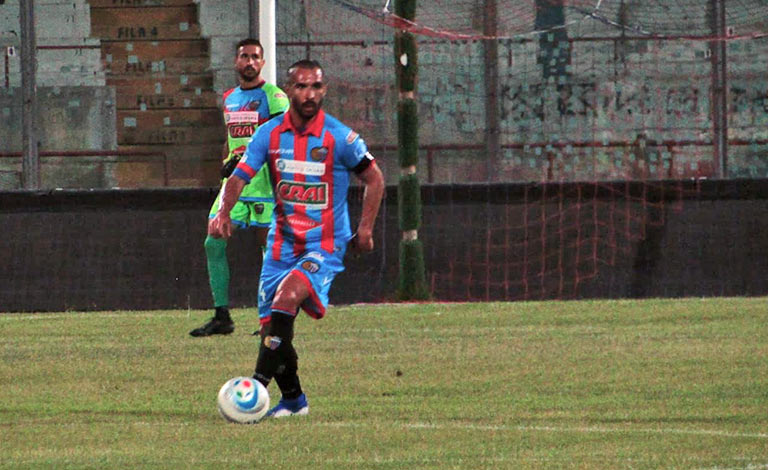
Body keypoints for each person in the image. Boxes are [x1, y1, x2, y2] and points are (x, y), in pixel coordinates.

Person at [209, 59, 385, 417]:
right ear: (288, 90)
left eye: (316, 87)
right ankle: (293, 401)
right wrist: (223, 213)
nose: (309, 94)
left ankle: (254, 390)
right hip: (281, 242)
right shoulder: (269, 135)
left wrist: (365, 229)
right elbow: (240, 176)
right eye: (302, 87)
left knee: (287, 297)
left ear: (324, 91)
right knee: (270, 330)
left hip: (325, 244)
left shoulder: (340, 137)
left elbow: (375, 179)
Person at [190, 38, 289, 337]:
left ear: (262, 62)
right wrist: (226, 162)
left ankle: (273, 318)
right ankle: (222, 316)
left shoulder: (274, 97)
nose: (249, 62)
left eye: (254, 57)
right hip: (233, 183)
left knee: (268, 249)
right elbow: (230, 138)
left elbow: (283, 139)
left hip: (264, 185)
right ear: (236, 61)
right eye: (244, 56)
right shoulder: (230, 98)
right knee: (213, 241)